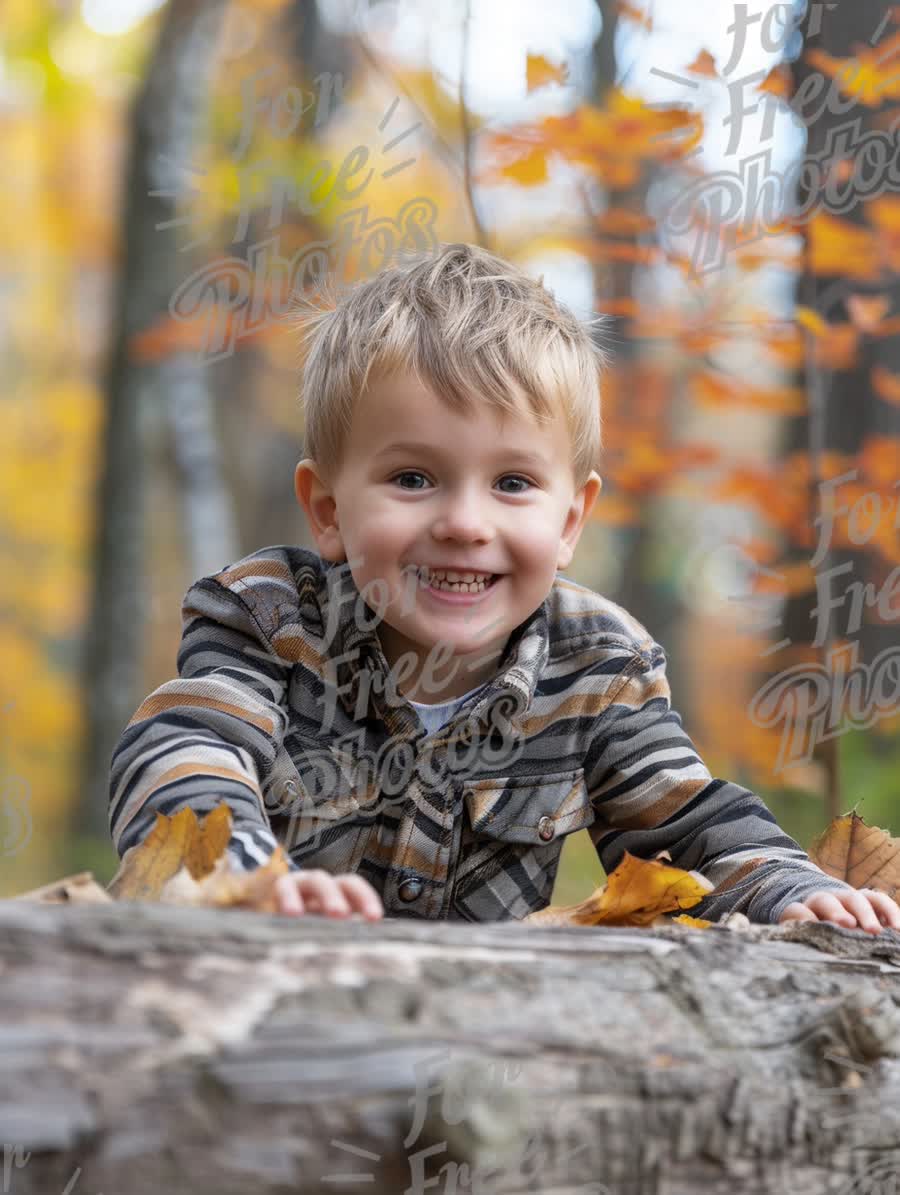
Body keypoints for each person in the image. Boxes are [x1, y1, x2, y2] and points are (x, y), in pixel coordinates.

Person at [108, 242, 900, 933]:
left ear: (569, 522)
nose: (463, 521)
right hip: (265, 992)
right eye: (413, 477)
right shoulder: (269, 617)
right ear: (328, 509)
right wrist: (241, 874)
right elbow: (188, 747)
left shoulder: (598, 667)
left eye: (513, 482)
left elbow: (687, 821)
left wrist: (789, 886)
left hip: (480, 1036)